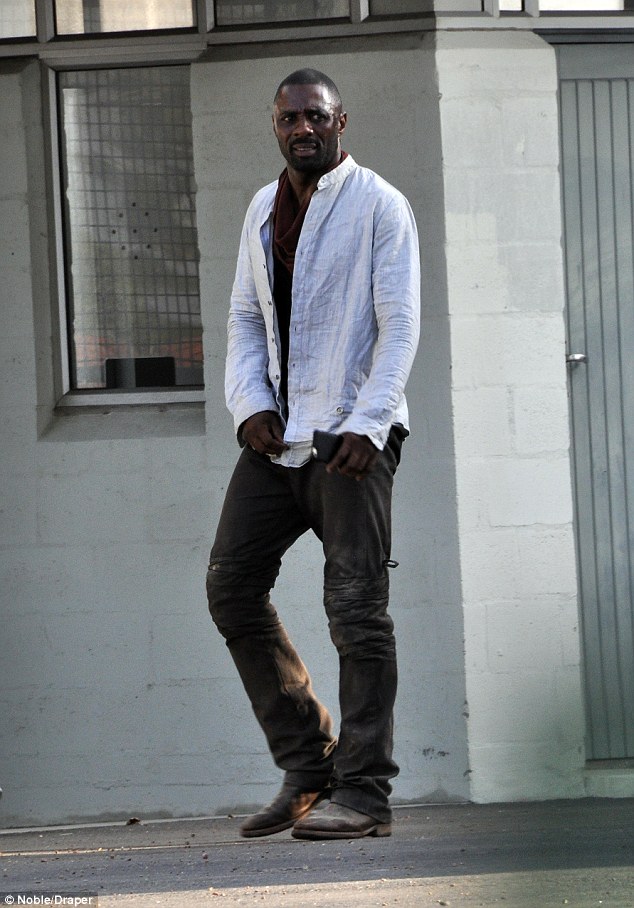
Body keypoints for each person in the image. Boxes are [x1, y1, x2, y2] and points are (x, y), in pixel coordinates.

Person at [206, 68, 420, 841]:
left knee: (357, 612)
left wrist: (370, 422)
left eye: (316, 117)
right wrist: (249, 406)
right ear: (275, 126)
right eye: (290, 118)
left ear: (341, 123)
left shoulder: (379, 205)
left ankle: (365, 794)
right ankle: (309, 765)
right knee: (231, 588)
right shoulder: (262, 208)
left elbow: (400, 322)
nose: (303, 128)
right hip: (278, 439)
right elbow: (244, 316)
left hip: (349, 441)